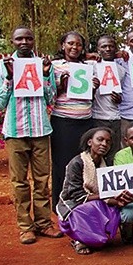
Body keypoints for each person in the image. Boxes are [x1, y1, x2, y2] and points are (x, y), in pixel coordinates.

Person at [0, 26, 62, 244]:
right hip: (15, 131)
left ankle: (43, 224)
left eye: (28, 38)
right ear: (12, 41)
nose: (24, 42)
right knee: (20, 182)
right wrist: (10, 79)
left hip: (40, 129)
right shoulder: (0, 66)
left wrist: (47, 74)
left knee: (42, 180)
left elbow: (51, 99)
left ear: (34, 40)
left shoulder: (42, 64)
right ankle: (25, 226)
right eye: (19, 38)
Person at [57, 127, 133, 255]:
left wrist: (116, 200)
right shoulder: (77, 163)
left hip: (98, 200)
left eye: (108, 142)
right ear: (89, 142)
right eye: (100, 140)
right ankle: (79, 240)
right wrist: (107, 197)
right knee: (91, 208)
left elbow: (109, 190)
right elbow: (76, 196)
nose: (104, 144)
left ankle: (98, 238)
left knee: (115, 209)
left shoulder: (107, 164)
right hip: (74, 204)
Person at [51, 31, 96, 210]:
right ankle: (60, 205)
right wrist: (60, 86)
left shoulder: (89, 66)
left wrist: (94, 87)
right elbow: (48, 95)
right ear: (63, 45)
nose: (74, 47)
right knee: (61, 164)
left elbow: (90, 96)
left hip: (85, 120)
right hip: (63, 121)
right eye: (70, 43)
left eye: (78, 44)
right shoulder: (54, 66)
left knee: (83, 163)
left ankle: (80, 202)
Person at [91, 35, 124, 165]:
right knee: (98, 153)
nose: (108, 49)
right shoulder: (92, 67)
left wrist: (119, 99)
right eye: (104, 46)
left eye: (111, 46)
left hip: (116, 118)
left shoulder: (121, 70)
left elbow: (123, 93)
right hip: (98, 117)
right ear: (98, 49)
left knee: (114, 153)